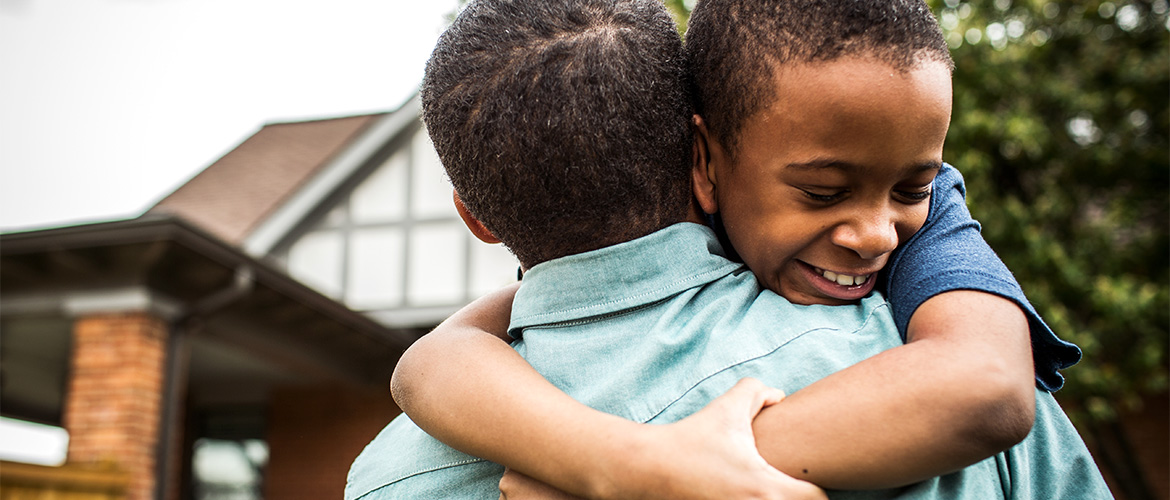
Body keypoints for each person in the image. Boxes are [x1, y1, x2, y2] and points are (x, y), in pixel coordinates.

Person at [346, 0, 1109, 498]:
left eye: (916, 188)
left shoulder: (388, 477)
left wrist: (641, 471)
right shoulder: (903, 348)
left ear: (475, 217)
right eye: (820, 189)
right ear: (704, 160)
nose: (876, 232)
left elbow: (983, 386)